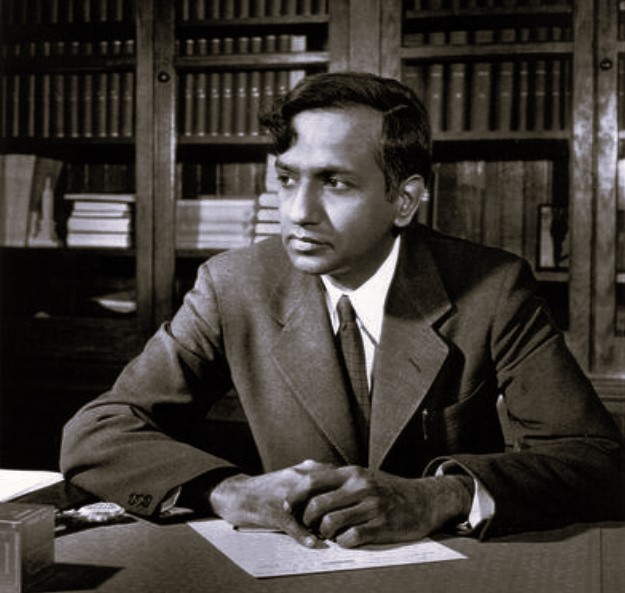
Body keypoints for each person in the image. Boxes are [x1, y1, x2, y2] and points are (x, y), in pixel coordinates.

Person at [60, 72, 622, 548]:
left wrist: (438, 496)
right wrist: (230, 492)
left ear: (403, 200)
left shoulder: (493, 288)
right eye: (286, 179)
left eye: (334, 182)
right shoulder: (233, 284)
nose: (298, 212)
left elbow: (597, 460)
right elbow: (97, 432)